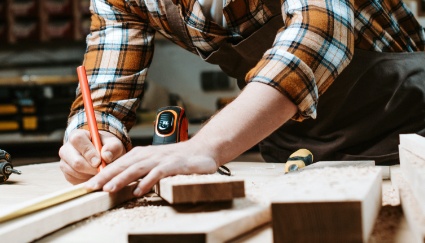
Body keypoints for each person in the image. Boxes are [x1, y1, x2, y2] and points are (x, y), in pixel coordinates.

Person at [59, 0, 425, 197]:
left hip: (409, 130)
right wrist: (92, 140)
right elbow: (104, 95)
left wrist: (204, 146)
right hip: (298, 150)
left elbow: (320, 30)